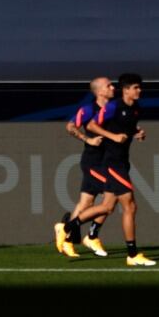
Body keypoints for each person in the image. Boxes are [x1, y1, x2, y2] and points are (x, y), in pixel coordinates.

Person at [72, 74, 155, 267]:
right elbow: (88, 125)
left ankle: (70, 227)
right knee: (129, 206)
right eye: (136, 87)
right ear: (126, 89)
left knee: (106, 206)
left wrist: (137, 133)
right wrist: (97, 138)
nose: (139, 91)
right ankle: (132, 254)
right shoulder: (104, 107)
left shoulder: (134, 109)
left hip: (120, 161)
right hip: (108, 162)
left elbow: (127, 126)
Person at [54, 77, 111, 258]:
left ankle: (66, 236)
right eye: (108, 85)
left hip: (109, 161)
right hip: (94, 162)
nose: (112, 87)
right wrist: (88, 140)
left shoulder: (114, 109)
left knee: (86, 203)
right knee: (115, 193)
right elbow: (70, 126)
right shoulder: (88, 110)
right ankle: (92, 236)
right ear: (100, 91)